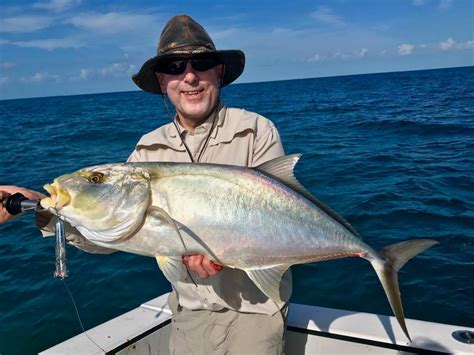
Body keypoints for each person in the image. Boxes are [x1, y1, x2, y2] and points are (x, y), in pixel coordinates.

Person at [129, 15, 291, 354]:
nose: (189, 76)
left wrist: (222, 251)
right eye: (174, 66)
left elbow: (277, 219)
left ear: (218, 73)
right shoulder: (147, 150)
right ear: (162, 82)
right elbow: (111, 226)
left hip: (256, 310)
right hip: (188, 313)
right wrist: (43, 207)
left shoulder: (256, 131)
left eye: (201, 63)